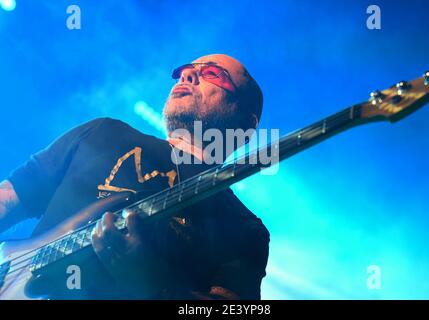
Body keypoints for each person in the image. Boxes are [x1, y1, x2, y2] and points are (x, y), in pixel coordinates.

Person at [0, 54, 269, 299]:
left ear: (246, 120)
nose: (187, 75)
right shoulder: (104, 132)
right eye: (186, 70)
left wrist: (154, 285)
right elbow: (9, 198)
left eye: (213, 73)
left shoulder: (243, 227)